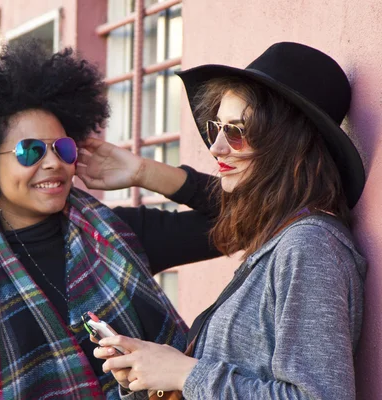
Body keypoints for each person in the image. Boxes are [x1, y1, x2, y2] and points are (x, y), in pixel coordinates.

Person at [0, 40, 221, 400]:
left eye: (63, 148)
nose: (54, 163)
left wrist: (145, 172)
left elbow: (250, 219)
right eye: (31, 151)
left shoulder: (116, 235)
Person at [89, 42, 367, 399]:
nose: (217, 147)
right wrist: (157, 375)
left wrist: (184, 372)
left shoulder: (309, 246)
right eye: (217, 128)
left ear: (288, 142)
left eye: (237, 131)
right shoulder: (279, 241)